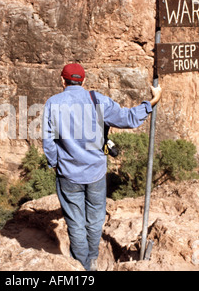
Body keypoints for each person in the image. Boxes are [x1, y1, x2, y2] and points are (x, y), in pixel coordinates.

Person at [42, 63, 162, 271]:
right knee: (95, 219)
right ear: (83, 81)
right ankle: (93, 259)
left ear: (62, 81)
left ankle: (83, 267)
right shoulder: (97, 100)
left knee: (75, 223)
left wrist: (55, 164)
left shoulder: (53, 103)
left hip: (68, 175)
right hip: (96, 173)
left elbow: (48, 141)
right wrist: (153, 100)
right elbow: (128, 118)